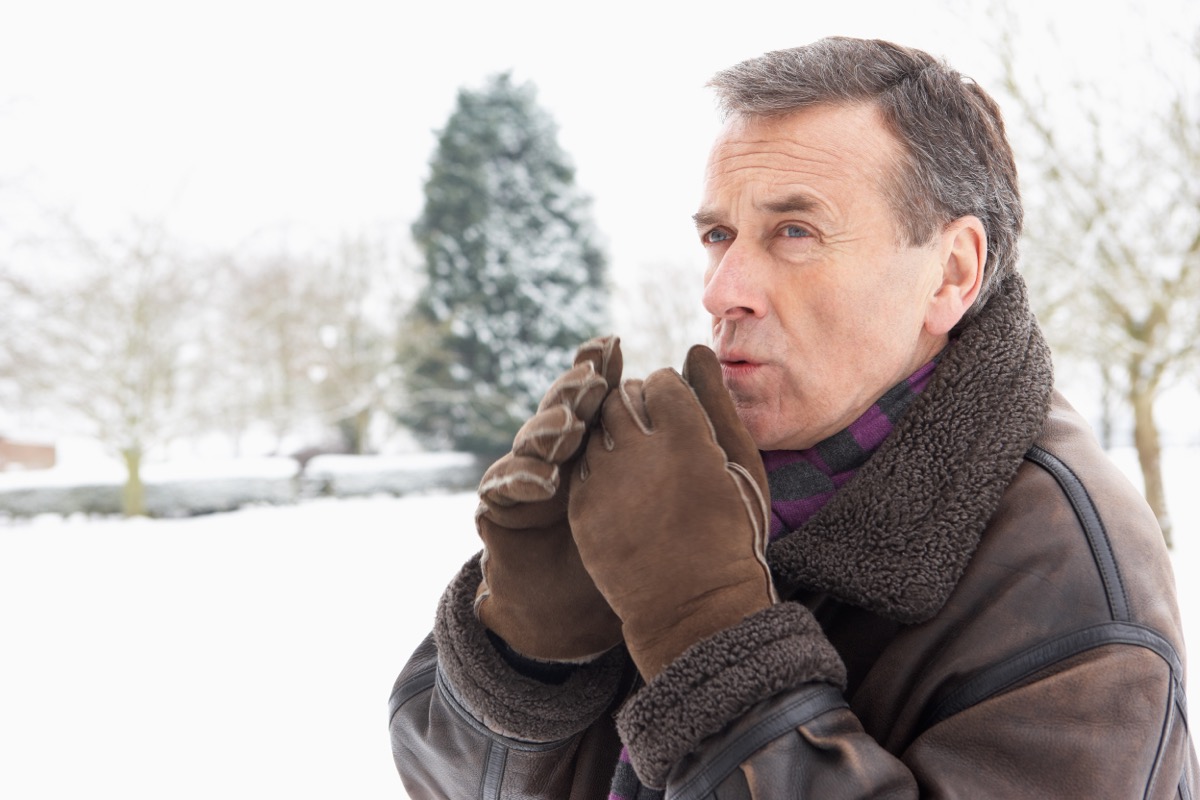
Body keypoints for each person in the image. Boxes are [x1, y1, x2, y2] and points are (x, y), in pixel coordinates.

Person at [389, 36, 1198, 798]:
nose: (721, 289)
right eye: (717, 234)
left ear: (951, 272)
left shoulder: (1077, 585)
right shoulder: (676, 493)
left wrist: (707, 636)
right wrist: (528, 652)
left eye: (795, 231)